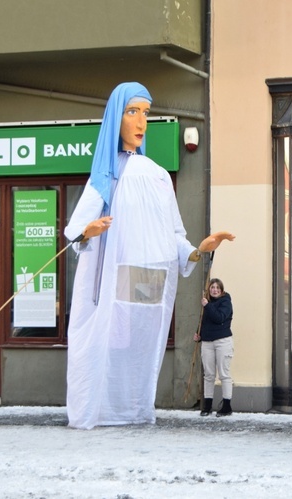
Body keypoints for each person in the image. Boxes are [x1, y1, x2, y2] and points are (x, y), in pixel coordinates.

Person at [64, 82, 233, 430]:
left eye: (146, 113)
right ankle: (97, 409)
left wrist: (198, 251)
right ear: (116, 119)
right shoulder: (106, 176)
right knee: (105, 340)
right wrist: (88, 232)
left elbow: (174, 234)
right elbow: (76, 230)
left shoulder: (157, 176)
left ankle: (134, 408)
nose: (141, 122)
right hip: (111, 277)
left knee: (138, 343)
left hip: (145, 277)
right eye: (132, 112)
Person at [194, 278, 234, 417]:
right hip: (207, 342)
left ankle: (227, 406)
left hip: (223, 341)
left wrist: (207, 306)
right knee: (209, 375)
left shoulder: (226, 302)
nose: (214, 290)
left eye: (217, 287)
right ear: (209, 289)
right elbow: (204, 321)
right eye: (212, 287)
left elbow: (219, 318)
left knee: (224, 374)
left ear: (221, 290)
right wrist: (198, 334)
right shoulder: (208, 303)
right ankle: (207, 406)